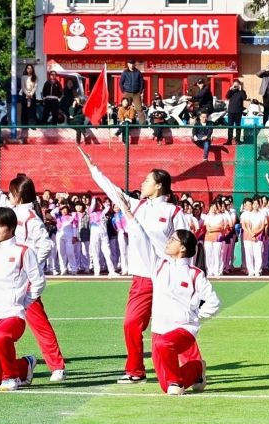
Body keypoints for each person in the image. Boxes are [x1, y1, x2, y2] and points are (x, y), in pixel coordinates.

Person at [82, 148, 187, 383]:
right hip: (142, 278)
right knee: (131, 324)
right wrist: (93, 169)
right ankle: (136, 370)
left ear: (159, 186)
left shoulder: (173, 212)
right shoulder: (135, 205)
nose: (142, 183)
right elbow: (112, 190)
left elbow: (186, 244)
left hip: (167, 278)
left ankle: (194, 368)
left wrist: (184, 274)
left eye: (147, 180)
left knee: (176, 324)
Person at [0, 162, 67, 381]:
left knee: (39, 323)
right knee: (8, 330)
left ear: (18, 195)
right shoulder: (10, 210)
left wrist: (28, 267)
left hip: (24, 280)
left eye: (11, 192)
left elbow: (46, 245)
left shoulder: (31, 218)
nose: (7, 195)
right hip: (6, 280)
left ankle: (57, 366)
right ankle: (18, 367)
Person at [148, 228, 222, 393]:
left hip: (183, 329)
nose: (168, 242)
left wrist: (195, 316)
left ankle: (177, 383)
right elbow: (146, 238)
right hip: (158, 329)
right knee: (164, 386)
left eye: (173, 240)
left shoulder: (195, 274)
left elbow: (214, 302)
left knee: (164, 346)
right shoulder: (159, 265)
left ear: (182, 247)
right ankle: (197, 368)